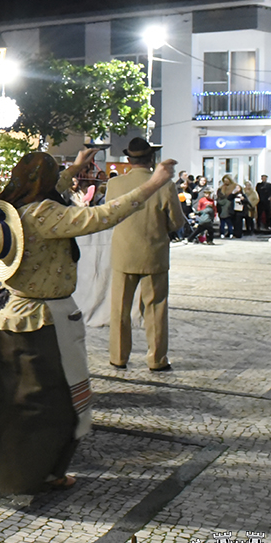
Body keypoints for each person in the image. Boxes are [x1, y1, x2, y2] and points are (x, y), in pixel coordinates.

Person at [0, 152, 178, 495]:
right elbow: (101, 216)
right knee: (55, 403)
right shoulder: (45, 214)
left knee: (9, 401)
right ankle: (38, 474)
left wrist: (77, 167)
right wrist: (153, 184)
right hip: (41, 323)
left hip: (9, 318)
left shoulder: (11, 207)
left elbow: (53, 187)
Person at [105, 137, 185, 372]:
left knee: (119, 308)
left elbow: (108, 216)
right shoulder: (165, 185)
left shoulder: (115, 184)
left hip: (123, 253)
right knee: (156, 307)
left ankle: (118, 356)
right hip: (154, 253)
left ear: (128, 159)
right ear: (151, 159)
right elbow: (176, 222)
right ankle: (156, 359)